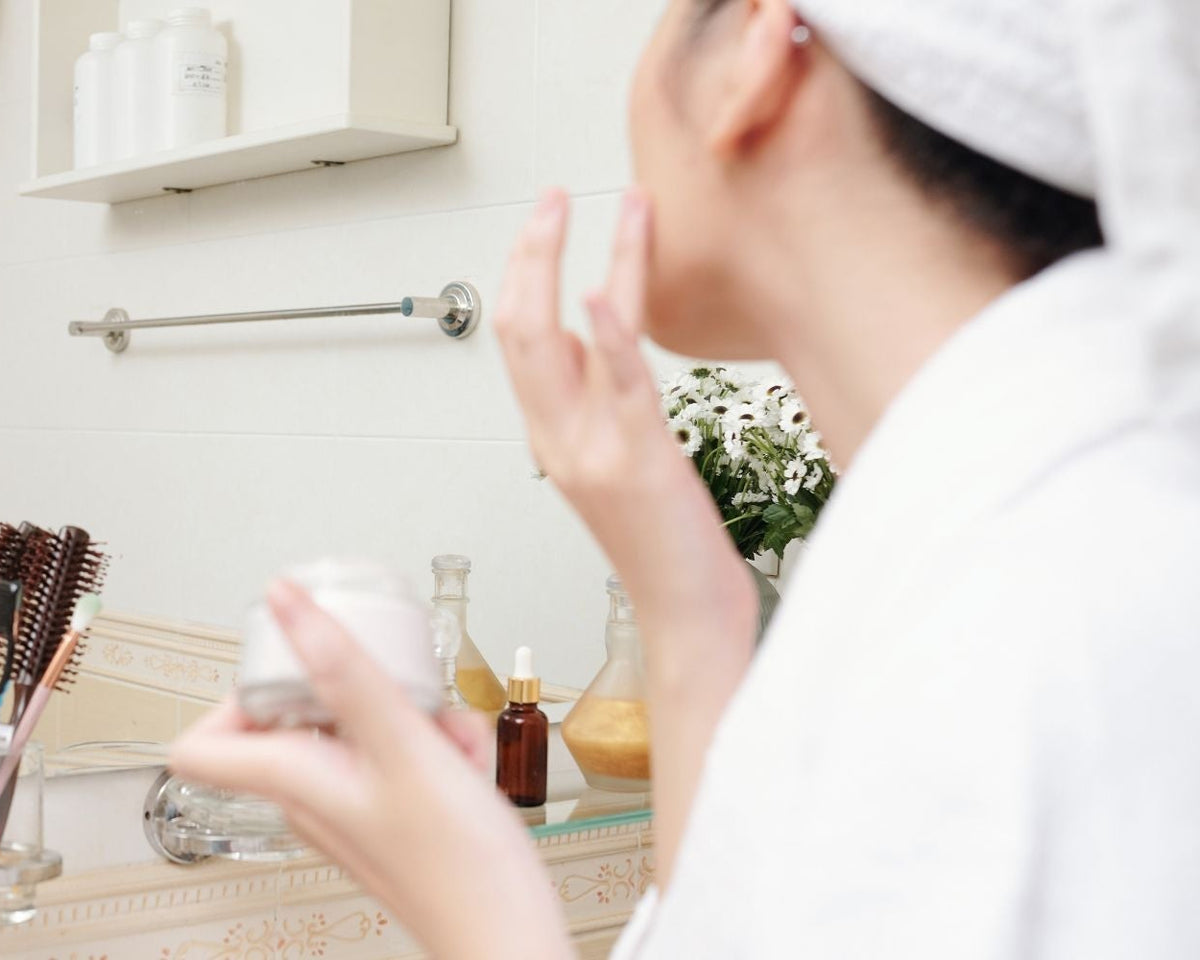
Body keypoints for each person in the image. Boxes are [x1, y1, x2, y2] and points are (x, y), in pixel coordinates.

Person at [172, 0, 1200, 956]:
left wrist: (477, 907)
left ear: (754, 51)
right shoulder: (1015, 525)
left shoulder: (1017, 620)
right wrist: (686, 607)